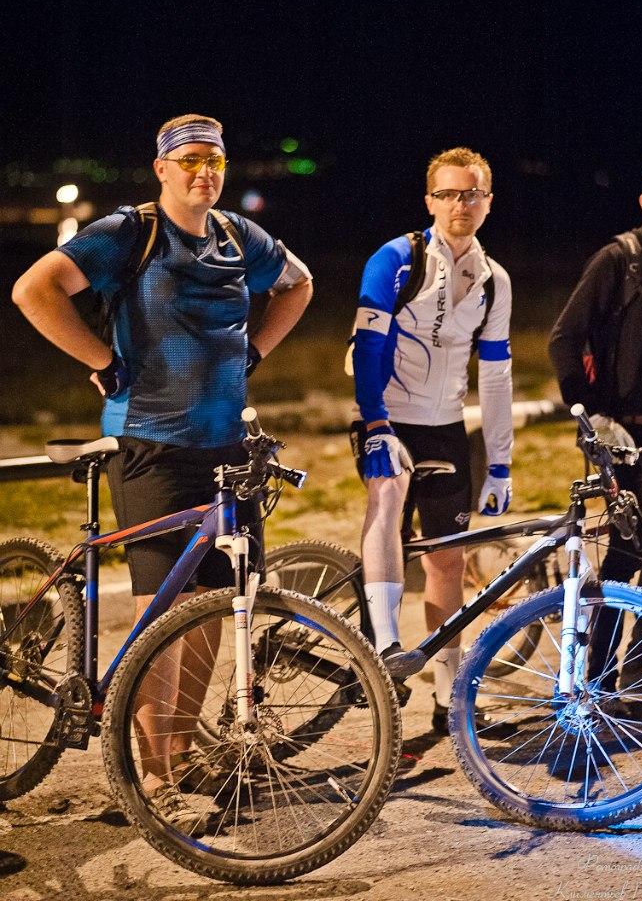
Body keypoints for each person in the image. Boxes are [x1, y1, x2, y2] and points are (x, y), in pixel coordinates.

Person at [12, 113, 313, 826]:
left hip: (226, 448)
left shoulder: (238, 236)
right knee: (166, 617)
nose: (204, 172)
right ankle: (156, 783)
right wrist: (101, 360)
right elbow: (34, 290)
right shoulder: (130, 232)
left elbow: (297, 285)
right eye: (190, 160)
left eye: (215, 160)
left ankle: (177, 758)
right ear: (162, 168)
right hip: (151, 445)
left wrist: (254, 353)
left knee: (215, 604)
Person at [349, 146, 513, 734]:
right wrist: (375, 423)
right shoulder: (397, 258)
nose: (459, 204)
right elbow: (367, 346)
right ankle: (386, 653)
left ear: (487, 202)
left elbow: (495, 375)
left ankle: (449, 698)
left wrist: (501, 462)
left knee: (448, 559)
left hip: (445, 425)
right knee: (389, 496)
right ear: (429, 201)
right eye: (447, 194)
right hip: (387, 416)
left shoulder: (494, 280)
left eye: (471, 194)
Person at [549, 156, 642, 691]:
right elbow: (563, 338)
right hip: (624, 434)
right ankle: (596, 683)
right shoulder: (619, 259)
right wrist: (590, 416)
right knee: (627, 556)